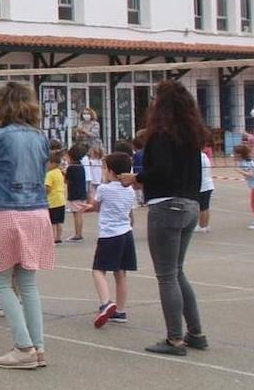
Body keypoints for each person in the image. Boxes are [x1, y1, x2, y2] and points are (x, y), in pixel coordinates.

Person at [0, 81, 54, 370]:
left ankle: (23, 346)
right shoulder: (40, 137)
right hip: (37, 211)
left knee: (0, 280)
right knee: (28, 284)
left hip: (6, 211)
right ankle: (38, 347)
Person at [126, 81, 208, 356]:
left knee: (166, 276)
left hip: (167, 206)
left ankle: (175, 340)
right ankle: (196, 333)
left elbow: (162, 169)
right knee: (177, 271)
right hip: (191, 205)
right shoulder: (192, 134)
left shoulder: (161, 134)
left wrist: (136, 178)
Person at [88, 153, 137, 329]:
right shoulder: (130, 191)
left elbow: (95, 206)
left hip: (110, 234)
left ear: (111, 171)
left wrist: (88, 208)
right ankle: (121, 310)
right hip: (126, 233)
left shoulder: (104, 189)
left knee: (98, 270)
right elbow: (130, 214)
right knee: (121, 272)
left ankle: (106, 302)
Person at [65, 145, 89, 243]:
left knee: (77, 214)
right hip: (81, 192)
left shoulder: (71, 168)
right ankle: (79, 233)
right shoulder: (81, 166)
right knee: (79, 214)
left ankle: (78, 235)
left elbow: (66, 180)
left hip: (74, 193)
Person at [45, 151, 67, 244]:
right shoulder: (60, 172)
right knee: (59, 221)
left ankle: (52, 238)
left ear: (53, 163)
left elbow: (48, 188)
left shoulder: (49, 174)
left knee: (52, 221)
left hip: (52, 200)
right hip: (61, 199)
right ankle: (59, 237)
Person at [196, 144, 214, 233]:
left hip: (203, 186)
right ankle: (205, 225)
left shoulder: (198, 157)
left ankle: (202, 226)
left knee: (202, 207)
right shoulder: (205, 156)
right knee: (205, 207)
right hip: (209, 185)